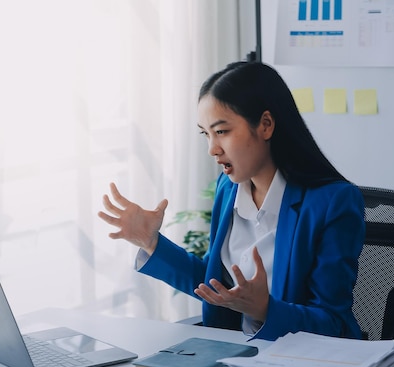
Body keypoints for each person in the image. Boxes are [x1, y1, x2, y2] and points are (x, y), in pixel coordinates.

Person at [98, 61, 365, 341]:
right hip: (236, 359)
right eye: (206, 133)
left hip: (304, 365)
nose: (212, 149)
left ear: (265, 125)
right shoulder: (228, 188)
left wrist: (264, 309)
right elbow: (216, 286)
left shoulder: (333, 203)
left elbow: (334, 323)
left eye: (222, 131)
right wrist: (150, 242)